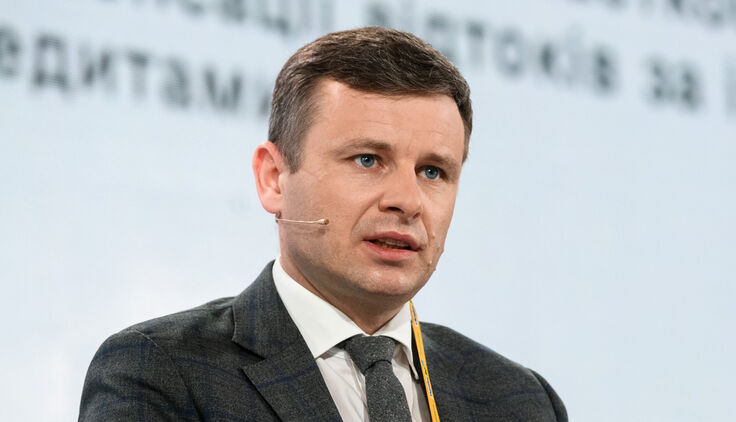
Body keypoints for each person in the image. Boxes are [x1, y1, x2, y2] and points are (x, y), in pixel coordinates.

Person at [79, 27, 567, 422]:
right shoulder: (161, 372)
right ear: (274, 178)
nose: (407, 201)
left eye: (433, 172)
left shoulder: (521, 401)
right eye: (367, 159)